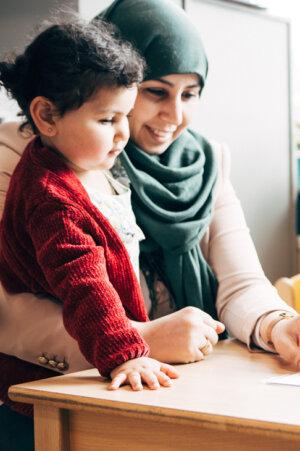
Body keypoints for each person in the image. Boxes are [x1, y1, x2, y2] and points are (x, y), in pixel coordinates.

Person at [0, 0, 300, 446]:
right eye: (156, 92)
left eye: (189, 95)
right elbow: (18, 307)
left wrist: (278, 325)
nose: (173, 116)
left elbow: (240, 280)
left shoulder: (205, 160)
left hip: (182, 380)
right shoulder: (33, 155)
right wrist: (141, 340)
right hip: (80, 386)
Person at [0, 14, 180, 410]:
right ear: (47, 116)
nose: (123, 134)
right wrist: (126, 353)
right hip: (49, 388)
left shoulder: (88, 163)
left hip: (98, 360)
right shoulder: (50, 198)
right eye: (106, 119)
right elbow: (84, 284)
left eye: (124, 117)